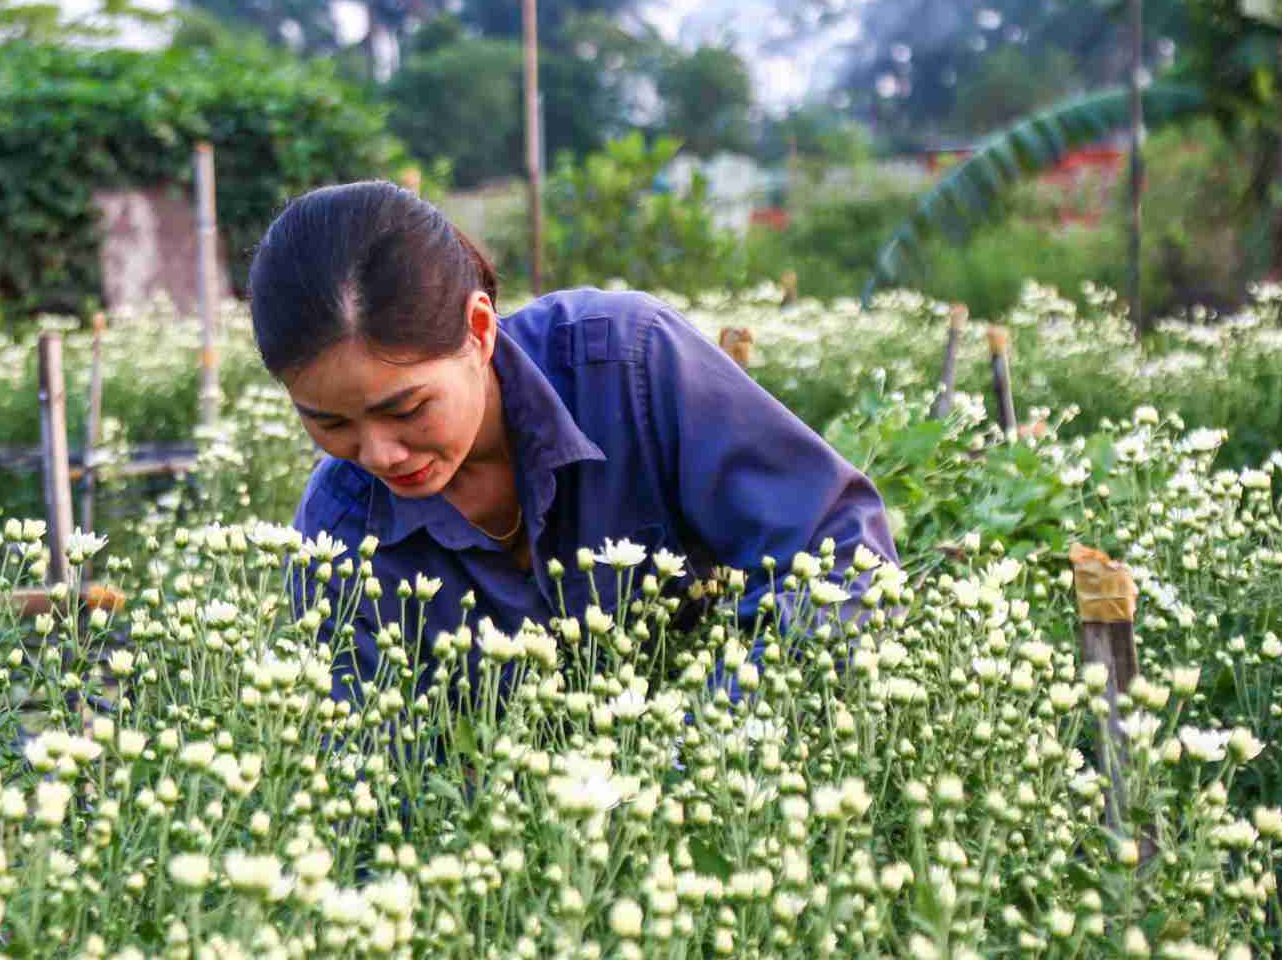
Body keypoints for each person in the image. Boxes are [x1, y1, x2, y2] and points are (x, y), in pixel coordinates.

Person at [247, 180, 896, 706]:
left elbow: (837, 545)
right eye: (330, 424)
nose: (379, 454)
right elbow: (371, 770)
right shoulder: (337, 537)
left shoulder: (627, 364)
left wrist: (721, 738)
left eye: (408, 407)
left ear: (478, 329)